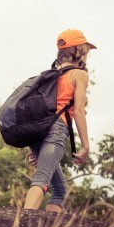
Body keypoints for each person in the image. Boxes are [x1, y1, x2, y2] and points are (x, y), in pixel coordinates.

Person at [23, 29, 94, 212]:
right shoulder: (79, 75)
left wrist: (34, 147)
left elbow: (37, 108)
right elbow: (78, 111)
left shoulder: (49, 75)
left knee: (60, 190)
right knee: (43, 177)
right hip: (56, 130)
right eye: (86, 51)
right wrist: (85, 146)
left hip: (37, 131)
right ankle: (22, 224)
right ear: (80, 51)